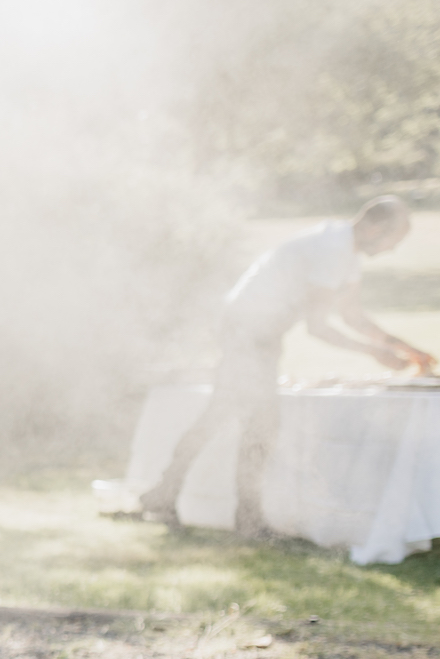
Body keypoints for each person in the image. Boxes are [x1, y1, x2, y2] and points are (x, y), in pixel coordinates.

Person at [142, 196, 429, 533]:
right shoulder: (332, 249)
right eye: (392, 242)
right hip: (246, 331)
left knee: (224, 417)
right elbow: (317, 326)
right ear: (374, 227)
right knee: (257, 425)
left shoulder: (346, 252)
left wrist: (407, 350)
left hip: (262, 335)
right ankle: (245, 518)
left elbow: (353, 316)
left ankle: (165, 495)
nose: (391, 251)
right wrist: (375, 353)